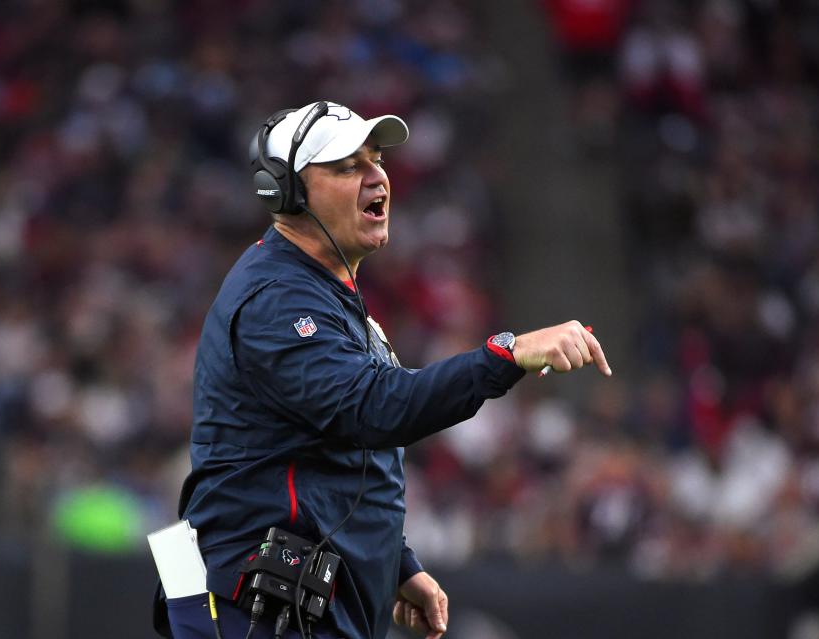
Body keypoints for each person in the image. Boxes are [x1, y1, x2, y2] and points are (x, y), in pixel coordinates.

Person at [165, 101, 611, 639]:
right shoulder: (277, 299)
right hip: (253, 611)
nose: (377, 176)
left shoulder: (322, 289)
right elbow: (374, 409)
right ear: (287, 192)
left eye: (376, 159)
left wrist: (396, 563)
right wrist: (508, 354)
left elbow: (330, 457)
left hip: (295, 603)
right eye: (347, 166)